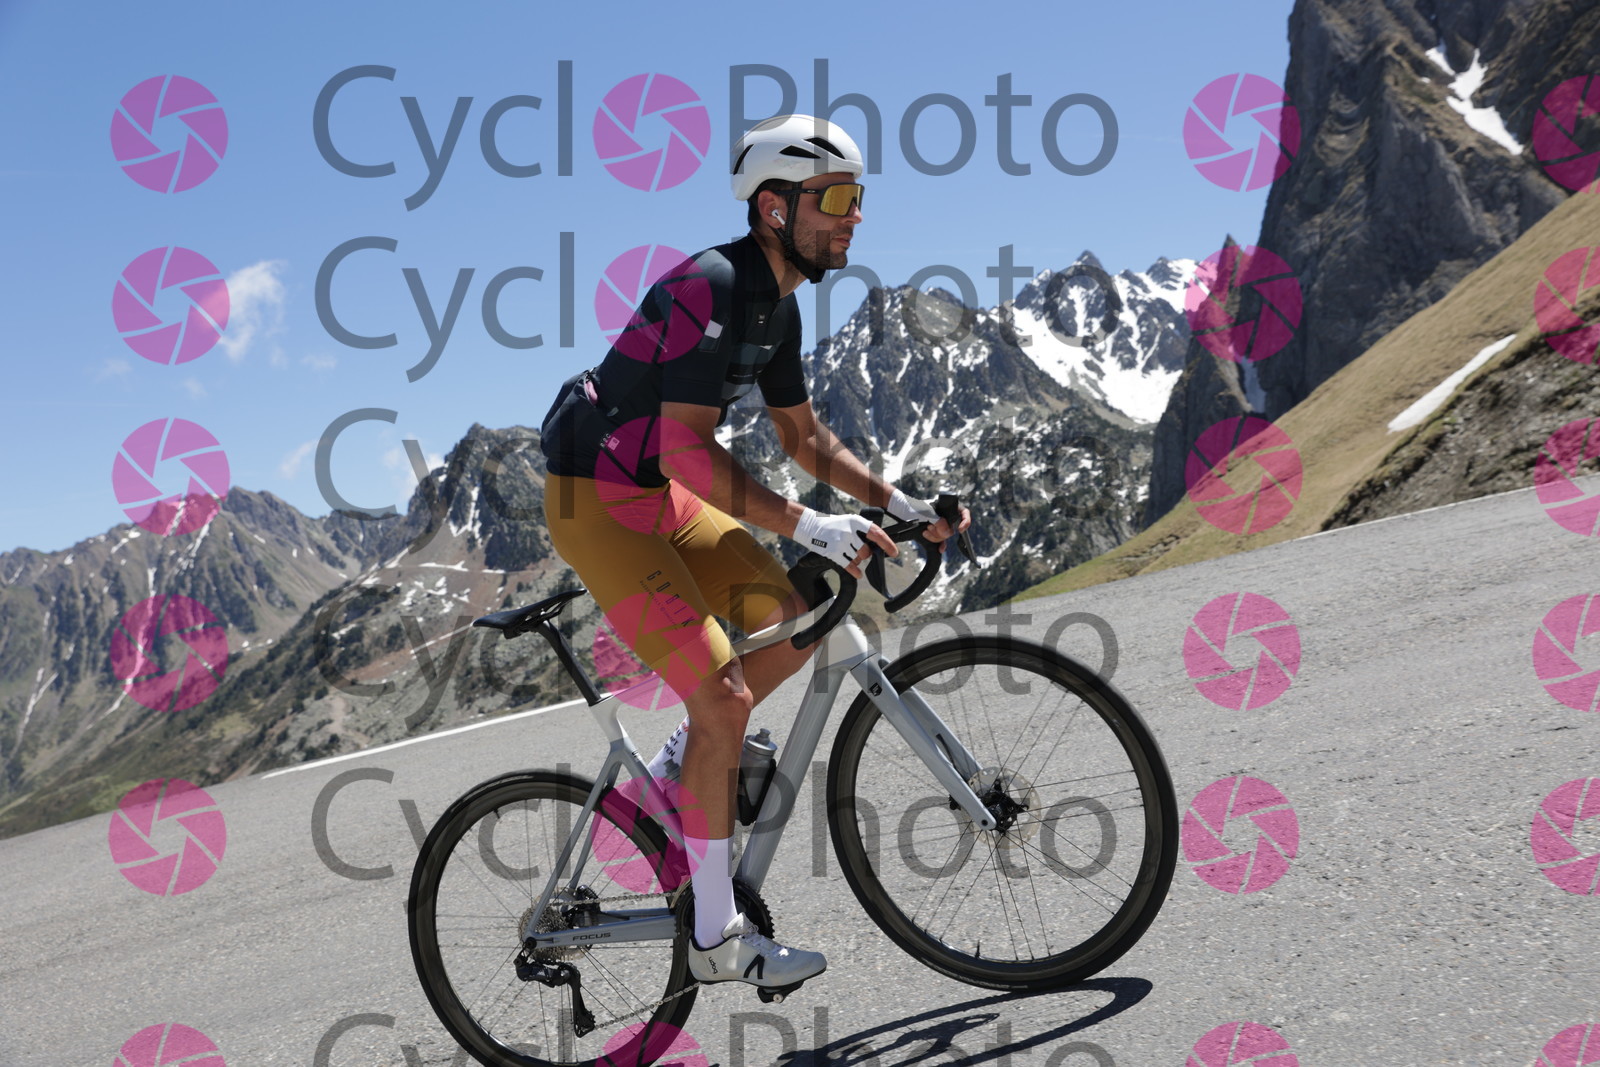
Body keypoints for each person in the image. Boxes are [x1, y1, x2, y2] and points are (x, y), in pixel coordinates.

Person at [539, 114, 970, 990]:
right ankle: (716, 934)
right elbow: (684, 448)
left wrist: (899, 503)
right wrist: (808, 525)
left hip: (658, 493)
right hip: (595, 500)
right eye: (836, 199)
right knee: (727, 694)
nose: (855, 216)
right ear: (775, 207)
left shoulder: (779, 307)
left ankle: (678, 766)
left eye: (858, 198)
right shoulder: (709, 286)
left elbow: (804, 439)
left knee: (793, 618)